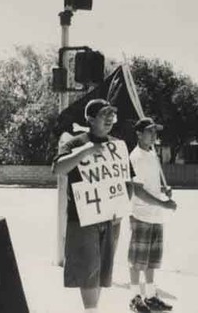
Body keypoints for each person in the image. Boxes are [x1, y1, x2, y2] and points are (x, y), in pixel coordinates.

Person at [52, 98, 133, 313]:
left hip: (111, 218)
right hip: (83, 218)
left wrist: (122, 210)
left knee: (102, 271)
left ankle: (93, 309)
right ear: (90, 119)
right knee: (88, 269)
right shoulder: (75, 143)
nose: (109, 119)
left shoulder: (117, 145)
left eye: (112, 115)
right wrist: (84, 152)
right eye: (104, 114)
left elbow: (127, 181)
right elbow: (58, 168)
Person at [128, 117, 177, 313]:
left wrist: (163, 189)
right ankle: (134, 297)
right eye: (150, 131)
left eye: (155, 131)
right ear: (139, 134)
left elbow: (151, 183)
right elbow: (138, 191)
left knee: (151, 261)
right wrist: (163, 204)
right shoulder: (136, 156)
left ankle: (150, 296)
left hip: (156, 215)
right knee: (137, 260)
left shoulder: (152, 154)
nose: (154, 135)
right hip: (141, 214)